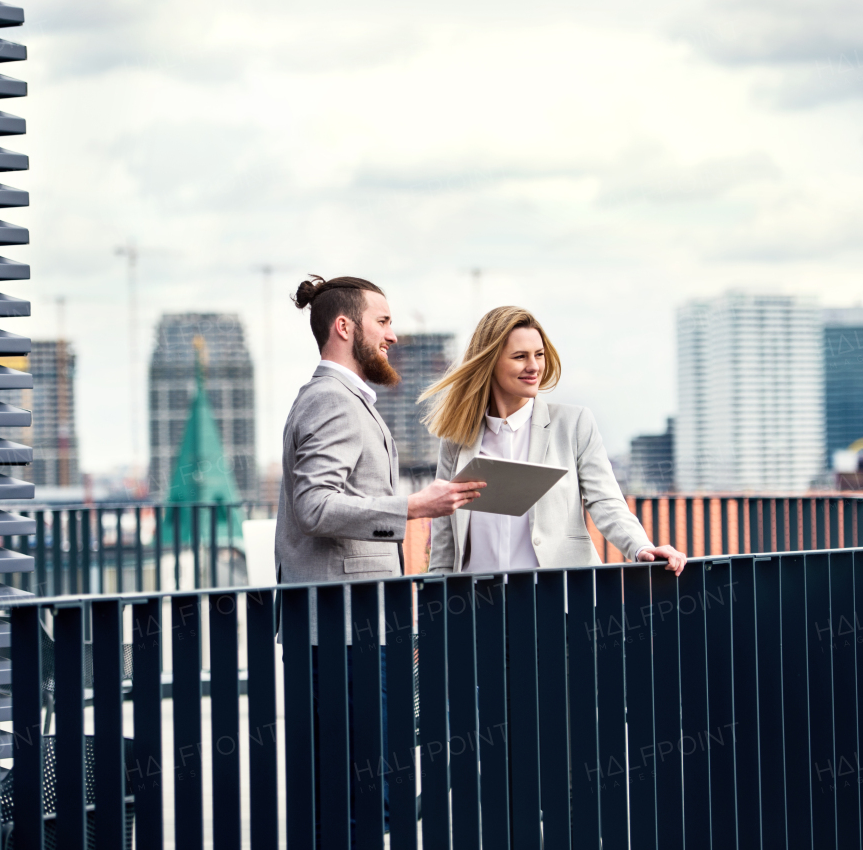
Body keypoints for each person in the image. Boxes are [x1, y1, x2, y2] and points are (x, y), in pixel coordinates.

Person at [276, 275, 483, 845]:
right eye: (384, 321)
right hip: (345, 629)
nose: (394, 335)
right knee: (360, 793)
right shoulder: (331, 401)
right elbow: (315, 504)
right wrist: (414, 506)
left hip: (349, 624)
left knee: (352, 789)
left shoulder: (340, 399)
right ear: (345, 328)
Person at [423, 306, 686, 574]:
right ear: (489, 363)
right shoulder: (457, 438)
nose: (534, 366)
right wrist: (437, 598)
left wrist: (641, 547)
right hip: (477, 600)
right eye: (519, 357)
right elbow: (445, 533)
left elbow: (606, 501)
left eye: (539, 354)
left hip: (556, 596)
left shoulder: (573, 424)